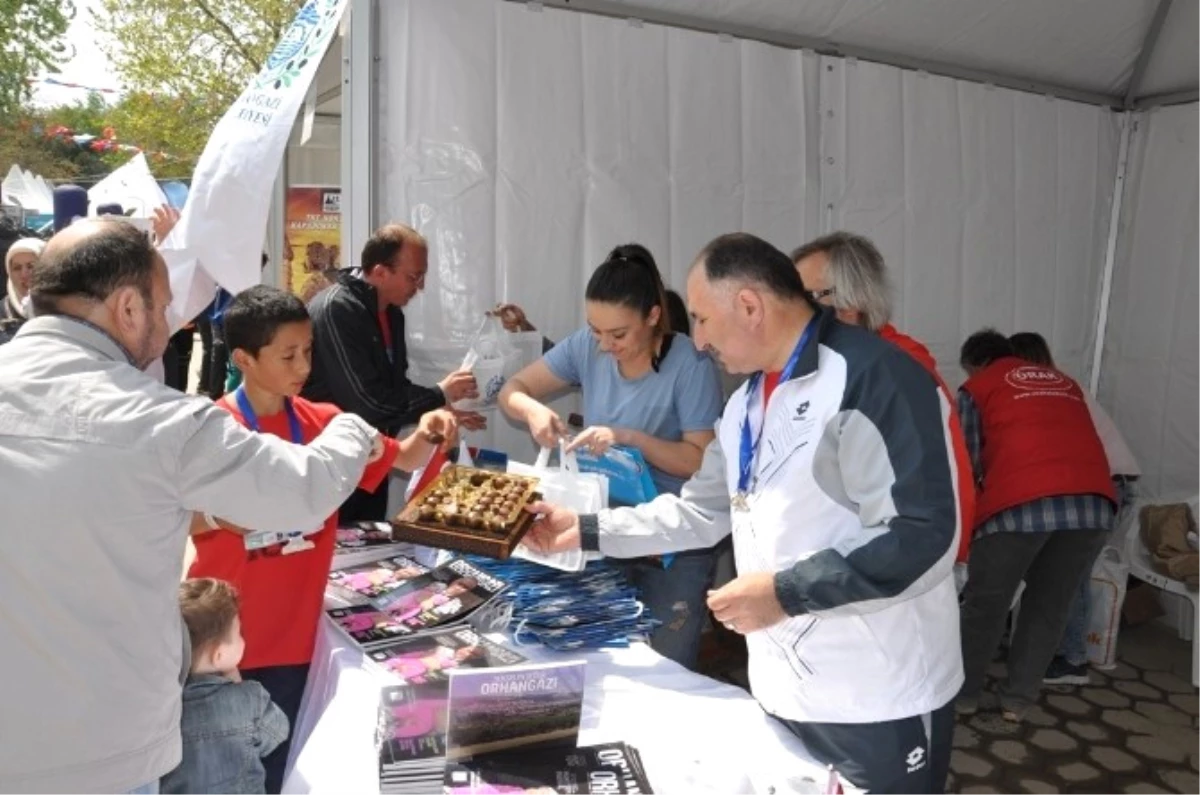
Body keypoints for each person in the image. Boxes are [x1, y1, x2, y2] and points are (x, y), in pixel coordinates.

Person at [524, 233, 961, 793]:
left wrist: (783, 593)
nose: (698, 342)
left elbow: (923, 537)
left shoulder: (872, 378)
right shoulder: (746, 404)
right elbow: (699, 513)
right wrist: (584, 531)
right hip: (785, 689)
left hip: (878, 696)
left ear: (750, 306)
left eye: (703, 320)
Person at [0, 219, 381, 795]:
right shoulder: (159, 420)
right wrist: (352, 425)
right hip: (103, 753)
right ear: (129, 308)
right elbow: (304, 489)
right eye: (164, 303)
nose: (169, 320)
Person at [186, 285, 459, 793]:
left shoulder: (329, 426)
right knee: (219, 774)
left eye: (308, 351)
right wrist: (224, 519)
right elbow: (167, 520)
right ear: (243, 358)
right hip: (219, 641)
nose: (302, 366)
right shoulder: (208, 431)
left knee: (281, 768)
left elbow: (405, 457)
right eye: (288, 355)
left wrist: (432, 426)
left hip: (293, 640)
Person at [498, 244, 725, 670]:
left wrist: (628, 437)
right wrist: (532, 411)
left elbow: (698, 462)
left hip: (673, 541)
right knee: (604, 660)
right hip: (600, 528)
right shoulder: (587, 346)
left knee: (664, 666)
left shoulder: (691, 363)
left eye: (618, 335)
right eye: (595, 330)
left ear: (653, 316)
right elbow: (513, 389)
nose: (604, 345)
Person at [955, 329, 1116, 722]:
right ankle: (1017, 702)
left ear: (977, 365)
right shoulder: (1066, 383)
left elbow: (967, 462)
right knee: (1048, 606)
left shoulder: (977, 388)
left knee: (985, 606)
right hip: (1092, 506)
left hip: (1020, 505)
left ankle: (963, 698)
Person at [792, 231, 976, 566]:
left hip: (901, 571)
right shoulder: (833, 370)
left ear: (849, 303)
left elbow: (934, 491)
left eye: (805, 298)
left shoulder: (897, 370)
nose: (789, 312)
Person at [304, 223, 482, 522]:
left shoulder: (392, 315)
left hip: (373, 461)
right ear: (379, 272)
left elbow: (395, 388)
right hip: (332, 465)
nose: (420, 286)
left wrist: (439, 406)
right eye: (414, 276)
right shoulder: (337, 309)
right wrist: (438, 394)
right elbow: (369, 402)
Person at [1008, 331, 1141, 685]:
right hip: (1102, 484)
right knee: (1061, 572)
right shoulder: (1059, 384)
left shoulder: (1048, 391)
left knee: (1069, 574)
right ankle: (1057, 648)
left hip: (1103, 484)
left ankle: (1073, 660)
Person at [161, 579, 289, 795]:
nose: (242, 638)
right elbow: (278, 732)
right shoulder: (250, 699)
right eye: (238, 633)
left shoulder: (156, 706)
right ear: (218, 655)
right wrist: (232, 674)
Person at [1, 237, 44, 344]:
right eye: (17, 268)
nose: (24, 274)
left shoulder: (65, 307)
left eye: (31, 266)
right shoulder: (3, 311)